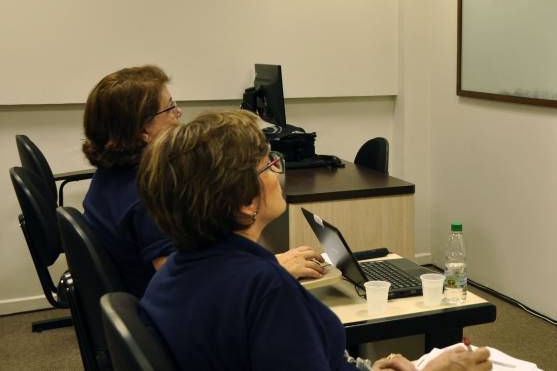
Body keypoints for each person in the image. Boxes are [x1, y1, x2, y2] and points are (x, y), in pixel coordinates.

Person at [138, 110, 492, 371]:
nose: (277, 173)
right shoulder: (264, 289)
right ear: (246, 203)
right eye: (268, 164)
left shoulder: (169, 279)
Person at [81, 66, 325, 297]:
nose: (178, 115)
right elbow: (186, 286)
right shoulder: (146, 197)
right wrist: (273, 268)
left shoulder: (109, 176)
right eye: (170, 108)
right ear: (144, 131)